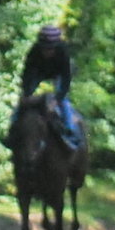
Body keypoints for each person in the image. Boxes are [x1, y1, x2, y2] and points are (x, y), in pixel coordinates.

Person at [16, 22, 82, 153]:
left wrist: (57, 99)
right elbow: (27, 73)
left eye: (50, 48)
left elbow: (66, 78)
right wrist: (27, 93)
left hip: (59, 72)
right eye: (44, 48)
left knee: (63, 101)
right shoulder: (34, 51)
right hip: (40, 71)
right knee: (22, 101)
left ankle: (70, 131)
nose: (47, 52)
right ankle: (14, 128)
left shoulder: (63, 51)